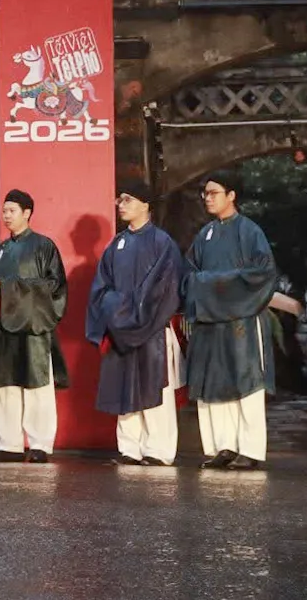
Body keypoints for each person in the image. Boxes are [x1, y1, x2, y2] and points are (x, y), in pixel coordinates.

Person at [182, 171, 277, 470]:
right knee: (213, 379)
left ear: (231, 195)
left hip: (241, 319)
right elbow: (189, 273)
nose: (207, 198)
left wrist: (213, 284)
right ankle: (222, 446)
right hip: (211, 321)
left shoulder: (249, 231)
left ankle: (250, 448)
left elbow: (263, 274)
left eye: (214, 193)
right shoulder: (205, 234)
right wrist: (205, 285)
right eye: (205, 194)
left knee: (246, 381)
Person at [85, 180, 183, 466]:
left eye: (128, 199)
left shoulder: (162, 243)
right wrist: (119, 314)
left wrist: (131, 313)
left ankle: (158, 450)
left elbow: (167, 288)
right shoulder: (116, 245)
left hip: (152, 328)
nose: (121, 204)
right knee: (124, 386)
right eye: (120, 199)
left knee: (155, 387)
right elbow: (101, 289)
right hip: (121, 329)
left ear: (145, 204)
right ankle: (130, 448)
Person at [0, 189, 69, 463]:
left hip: (33, 328)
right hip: (2, 330)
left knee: (37, 388)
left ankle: (40, 444)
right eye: (4, 211)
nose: (6, 216)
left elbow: (55, 286)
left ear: (27, 213)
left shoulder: (43, 246)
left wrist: (9, 288)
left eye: (12, 211)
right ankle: (9, 444)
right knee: (5, 387)